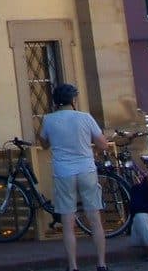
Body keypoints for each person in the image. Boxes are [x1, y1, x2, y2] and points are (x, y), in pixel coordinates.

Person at [38, 80, 111, 271]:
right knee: (94, 218)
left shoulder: (48, 119)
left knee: (68, 222)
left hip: (63, 172)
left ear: (56, 102)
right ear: (73, 100)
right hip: (86, 169)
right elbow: (103, 144)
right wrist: (90, 146)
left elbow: (44, 144)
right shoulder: (85, 117)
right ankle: (101, 264)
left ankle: (73, 266)